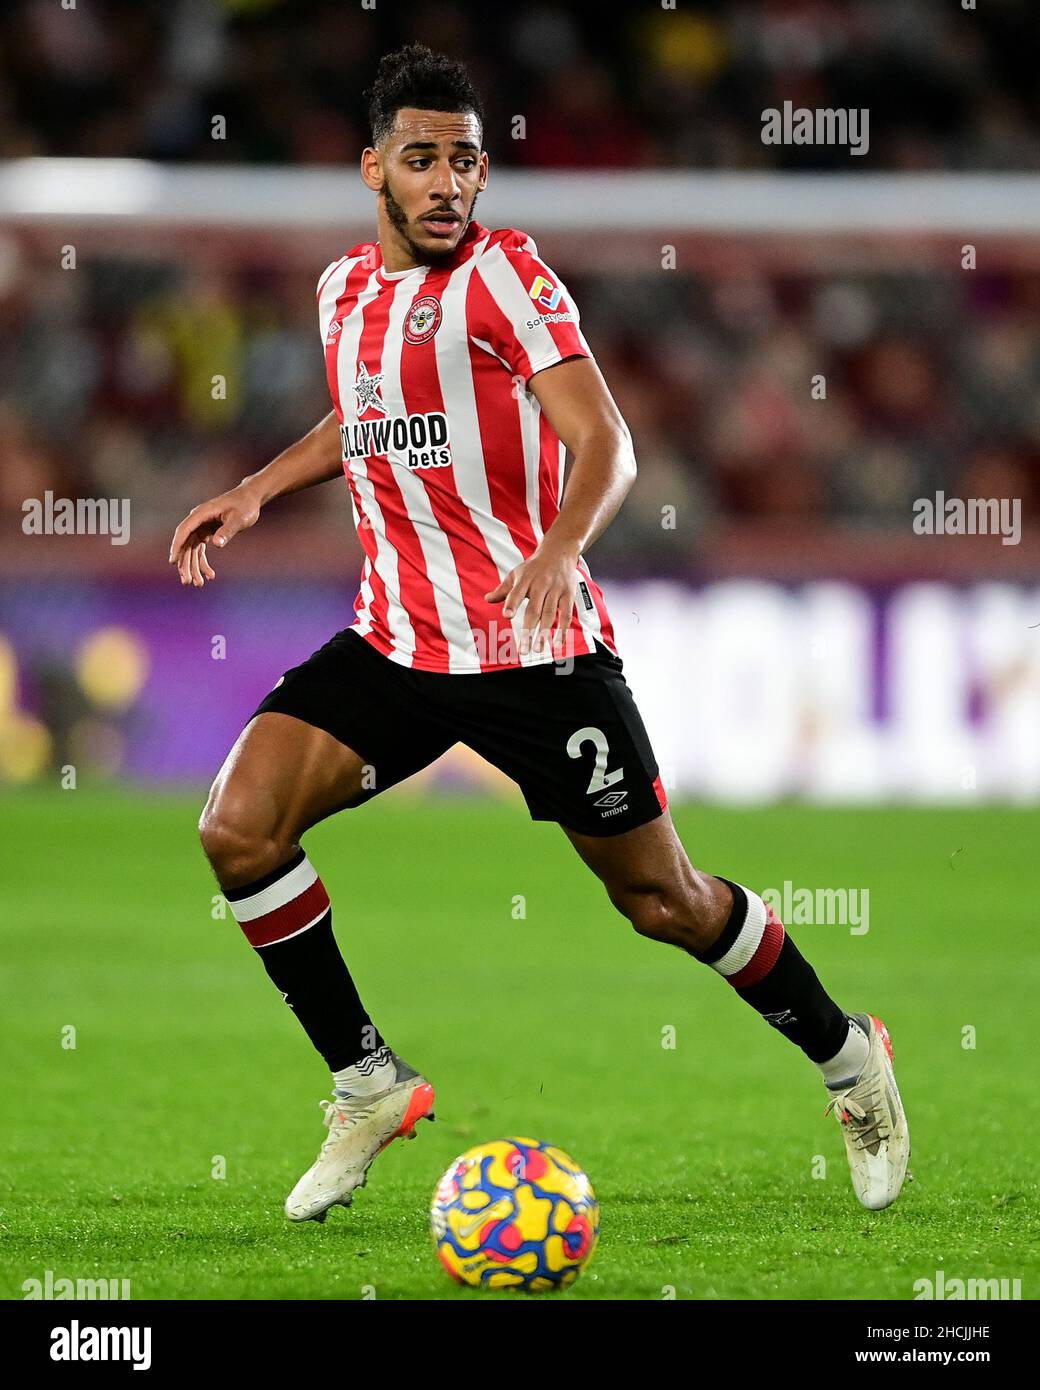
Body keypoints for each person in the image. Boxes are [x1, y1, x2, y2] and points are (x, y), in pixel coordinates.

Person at [169, 44, 909, 1224]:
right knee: (238, 830)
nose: (448, 181)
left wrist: (561, 544)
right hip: (398, 645)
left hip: (533, 648)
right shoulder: (340, 292)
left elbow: (604, 437)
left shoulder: (509, 280)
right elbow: (367, 413)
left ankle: (846, 1055)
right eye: (422, 159)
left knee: (662, 900)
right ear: (374, 171)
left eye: (465, 159)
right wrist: (259, 484)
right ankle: (366, 1082)